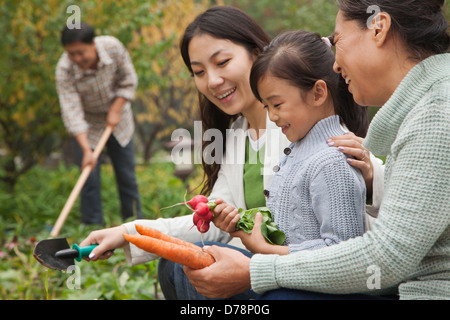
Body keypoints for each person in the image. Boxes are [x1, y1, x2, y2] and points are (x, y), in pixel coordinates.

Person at [79, 6, 382, 299]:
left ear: (257, 53)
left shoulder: (300, 122)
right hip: (273, 267)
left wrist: (369, 173)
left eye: (222, 62)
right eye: (199, 72)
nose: (212, 81)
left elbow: (372, 201)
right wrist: (130, 232)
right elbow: (210, 220)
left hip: (315, 276)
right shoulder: (238, 135)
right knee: (175, 265)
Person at [183, 0, 450, 300]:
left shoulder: (436, 114)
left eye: (338, 42)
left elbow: (384, 257)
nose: (335, 64)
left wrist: (257, 270)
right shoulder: (427, 108)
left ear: (379, 28)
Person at [218, 30, 368, 256]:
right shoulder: (296, 152)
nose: (271, 116)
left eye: (276, 105)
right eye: (266, 107)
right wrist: (242, 227)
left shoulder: (331, 161)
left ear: (317, 93)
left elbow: (344, 252)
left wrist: (268, 252)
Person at [56, 22, 142, 225]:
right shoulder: (64, 70)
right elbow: (71, 111)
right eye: (71, 54)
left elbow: (129, 79)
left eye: (80, 52)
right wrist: (86, 149)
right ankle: (92, 226)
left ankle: (134, 224)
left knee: (126, 175)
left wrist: (115, 108)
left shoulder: (113, 47)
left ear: (93, 44)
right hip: (89, 126)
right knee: (89, 179)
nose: (76, 59)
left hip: (118, 119)